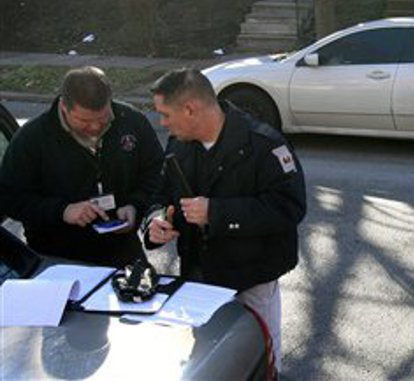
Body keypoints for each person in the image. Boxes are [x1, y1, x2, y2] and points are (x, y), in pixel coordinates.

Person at [144, 68, 306, 372]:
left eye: (165, 114)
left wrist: (217, 213)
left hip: (251, 281)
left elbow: (290, 207)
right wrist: (153, 221)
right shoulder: (178, 145)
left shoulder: (264, 145)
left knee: (258, 366)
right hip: (198, 278)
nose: (162, 123)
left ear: (190, 109)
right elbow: (159, 195)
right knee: (208, 363)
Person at [0, 66, 163, 266]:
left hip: (124, 251)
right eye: (84, 121)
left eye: (103, 119)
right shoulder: (32, 138)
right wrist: (62, 211)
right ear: (64, 107)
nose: (94, 127)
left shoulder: (131, 121)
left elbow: (155, 171)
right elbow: (10, 198)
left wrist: (135, 204)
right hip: (58, 257)